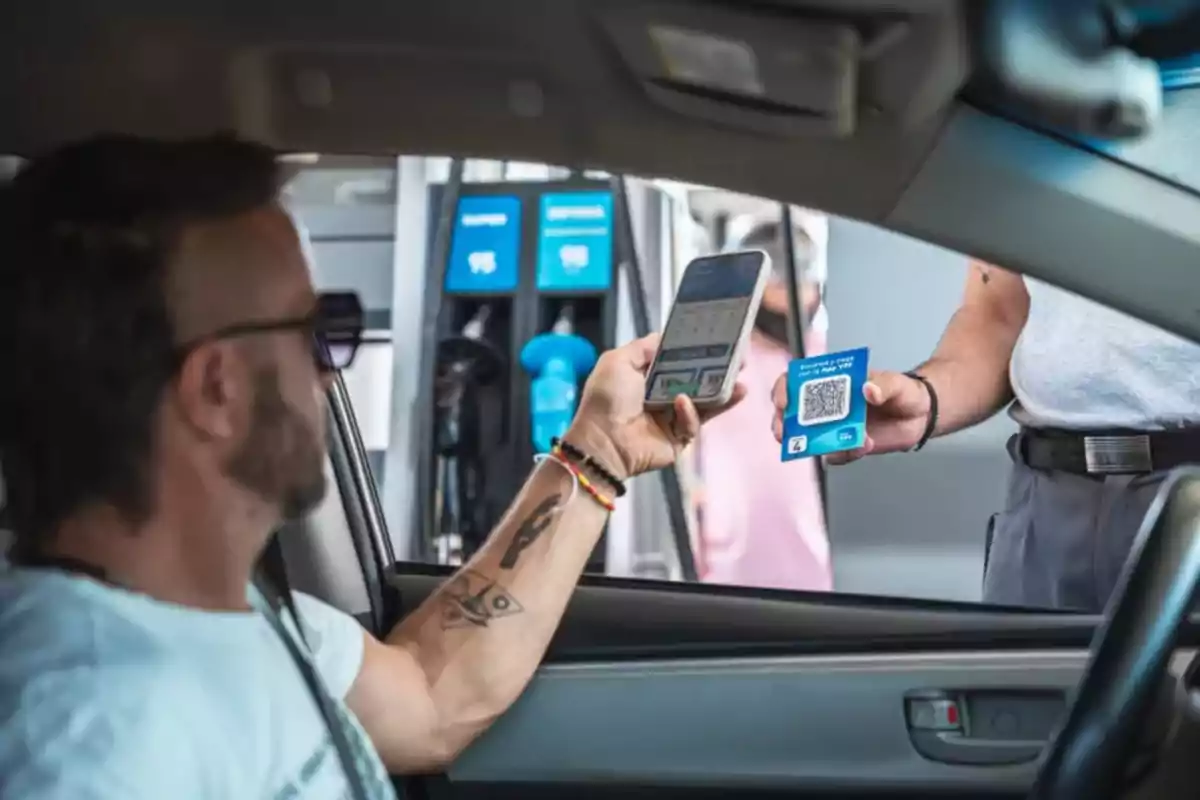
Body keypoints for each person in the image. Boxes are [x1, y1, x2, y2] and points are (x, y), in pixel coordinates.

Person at [0, 135, 743, 797]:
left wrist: (598, 453)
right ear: (216, 388)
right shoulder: (91, 738)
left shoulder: (235, 611)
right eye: (316, 329)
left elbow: (429, 697)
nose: (330, 373)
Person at [771, 259, 1200, 612]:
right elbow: (997, 312)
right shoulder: (1031, 157)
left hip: (1190, 491)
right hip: (1046, 501)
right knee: (1025, 706)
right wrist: (926, 398)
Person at [692, 214, 831, 590]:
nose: (795, 295)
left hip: (825, 582)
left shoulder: (828, 360)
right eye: (780, 283)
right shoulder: (720, 364)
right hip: (728, 580)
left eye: (804, 281)